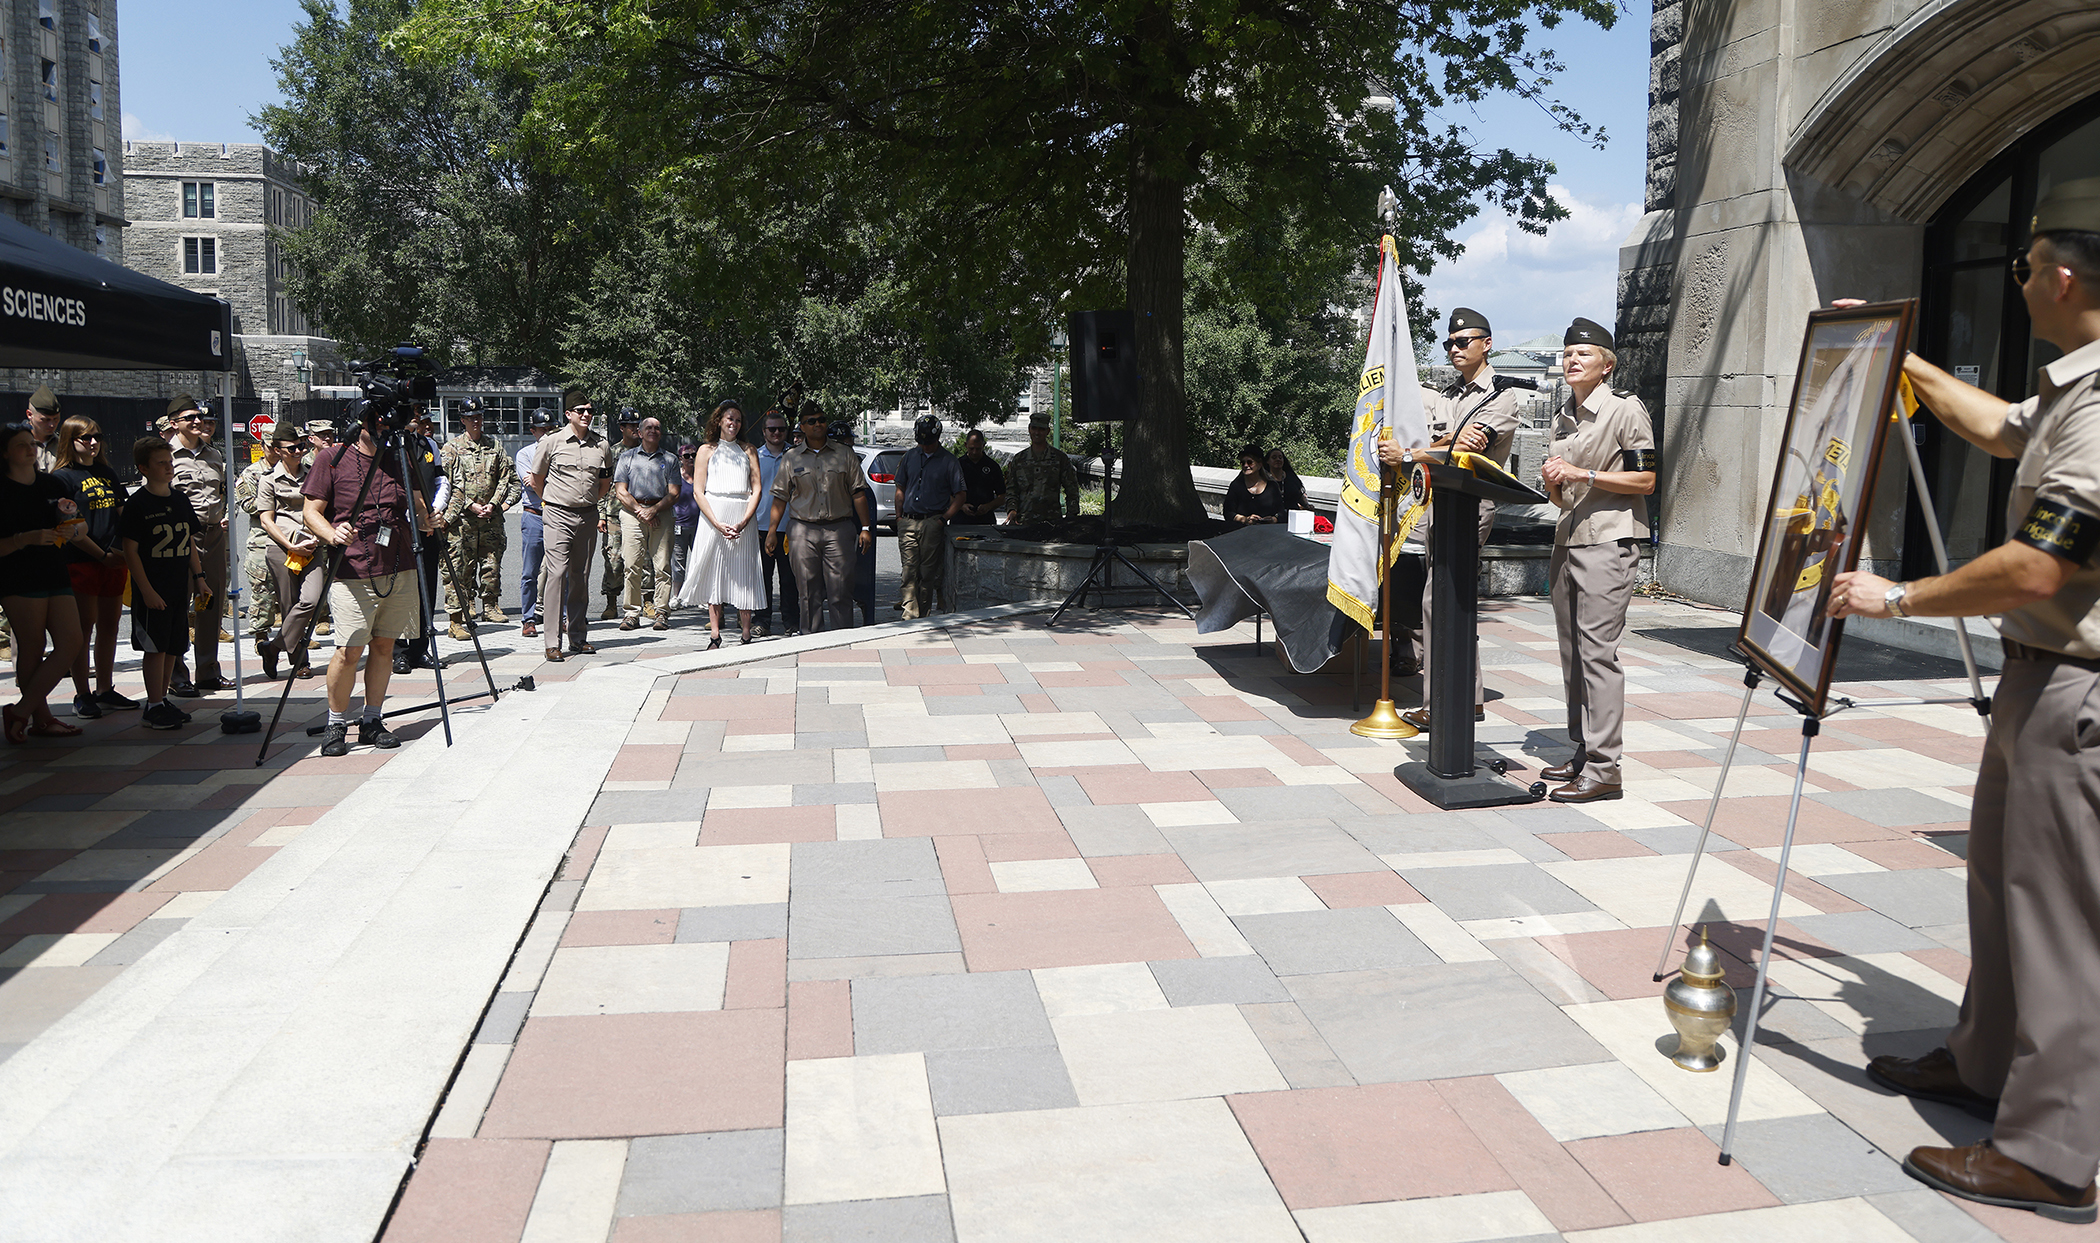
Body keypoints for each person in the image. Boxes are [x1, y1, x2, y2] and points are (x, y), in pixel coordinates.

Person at [1827, 179, 2100, 1224]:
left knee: (2061, 918)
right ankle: (1987, 1063)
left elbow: (2039, 567)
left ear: (2061, 277)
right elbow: (1998, 426)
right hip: (2038, 681)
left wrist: (1899, 596)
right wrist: (1902, 355)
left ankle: (2049, 1153)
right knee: (2001, 886)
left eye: (2024, 266)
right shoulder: (2072, 390)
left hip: (2076, 689)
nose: (2017, 279)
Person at [1377, 307, 1530, 728]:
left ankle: (1442, 703)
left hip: (1469, 508)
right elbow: (1447, 441)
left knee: (1441, 601)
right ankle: (1467, 698)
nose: (1454, 349)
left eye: (1463, 342)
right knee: (1447, 602)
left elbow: (1465, 449)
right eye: (1449, 343)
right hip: (1438, 505)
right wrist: (1441, 443)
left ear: (1487, 344)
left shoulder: (1501, 394)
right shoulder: (1452, 394)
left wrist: (1411, 454)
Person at [1537, 317, 1655, 804]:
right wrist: (1553, 482)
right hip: (1568, 541)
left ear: (1606, 365)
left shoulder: (1625, 409)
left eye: (1582, 353)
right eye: (1567, 353)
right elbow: (1563, 495)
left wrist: (1582, 472)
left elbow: (1646, 481)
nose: (1572, 359)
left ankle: (1606, 770)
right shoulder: (1563, 415)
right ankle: (1584, 751)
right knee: (1573, 655)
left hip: (1609, 542)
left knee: (1598, 655)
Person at [302, 400, 433, 756]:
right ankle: (336, 722)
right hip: (352, 569)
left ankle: (372, 720)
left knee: (385, 646)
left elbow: (418, 505)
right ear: (362, 423)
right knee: (348, 650)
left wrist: (428, 519)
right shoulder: (331, 457)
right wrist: (332, 534)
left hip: (398, 566)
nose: (385, 431)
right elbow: (310, 512)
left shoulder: (400, 457)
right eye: (379, 423)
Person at [1, 419, 93, 741]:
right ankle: (41, 718)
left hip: (54, 569)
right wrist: (24, 539)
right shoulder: (3, 490)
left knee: (72, 641)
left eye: (32, 444)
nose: (30, 450)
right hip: (18, 576)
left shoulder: (51, 484)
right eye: (21, 446)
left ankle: (21, 711)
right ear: (5, 453)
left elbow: (80, 525)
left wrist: (72, 528)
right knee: (33, 645)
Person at [118, 436, 207, 732]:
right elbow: (130, 551)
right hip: (153, 587)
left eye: (170, 462)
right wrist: (146, 590)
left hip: (178, 585)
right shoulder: (137, 504)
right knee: (155, 647)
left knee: (173, 646)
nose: (169, 467)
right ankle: (153, 704)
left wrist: (199, 578)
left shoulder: (180, 499)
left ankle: (163, 698)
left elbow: (189, 542)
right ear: (143, 468)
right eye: (161, 463)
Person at [50, 418, 135, 719]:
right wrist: (101, 555)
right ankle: (82, 693)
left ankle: (105, 688)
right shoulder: (61, 478)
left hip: (113, 559)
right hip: (81, 559)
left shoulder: (107, 472)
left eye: (97, 436)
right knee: (83, 629)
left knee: (110, 626)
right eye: (85, 438)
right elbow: (68, 526)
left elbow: (123, 514)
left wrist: (122, 550)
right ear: (69, 440)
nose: (93, 443)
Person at [766, 402, 873, 634]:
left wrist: (865, 527)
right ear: (802, 427)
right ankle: (811, 640)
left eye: (822, 420)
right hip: (802, 530)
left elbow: (858, 493)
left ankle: (842, 640)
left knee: (841, 590)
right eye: (811, 421)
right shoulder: (791, 458)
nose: (818, 424)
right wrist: (772, 531)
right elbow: (780, 498)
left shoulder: (844, 454)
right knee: (807, 592)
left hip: (839, 529)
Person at [528, 391, 616, 662]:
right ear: (568, 414)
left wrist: (587, 502)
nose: (586, 414)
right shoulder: (551, 441)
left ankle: (577, 636)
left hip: (587, 516)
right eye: (580, 410)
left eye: (589, 410)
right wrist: (552, 502)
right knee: (556, 574)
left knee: (581, 575)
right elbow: (536, 479)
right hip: (557, 514)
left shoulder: (601, 445)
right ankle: (552, 642)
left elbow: (605, 483)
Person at [676, 401, 766, 647]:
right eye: (729, 418)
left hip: (742, 515)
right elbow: (698, 491)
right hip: (713, 516)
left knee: (744, 573)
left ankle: (746, 633)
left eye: (737, 420)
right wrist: (716, 523)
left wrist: (743, 521)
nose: (733, 423)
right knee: (714, 574)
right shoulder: (706, 450)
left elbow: (757, 488)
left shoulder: (749, 450)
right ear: (719, 421)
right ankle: (715, 634)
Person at [164, 394, 230, 696]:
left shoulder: (213, 454)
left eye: (199, 417)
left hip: (213, 536)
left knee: (211, 604)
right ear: (173, 423)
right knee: (179, 605)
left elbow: (221, 492)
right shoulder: (165, 455)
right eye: (189, 417)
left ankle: (208, 671)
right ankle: (176, 674)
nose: (197, 421)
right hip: (180, 537)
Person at [441, 399, 520, 635]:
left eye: (478, 417)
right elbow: (445, 485)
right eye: (470, 417)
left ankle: (490, 606)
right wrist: (470, 505)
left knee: (491, 564)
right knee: (461, 568)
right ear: (462, 420)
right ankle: (463, 611)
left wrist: (496, 504)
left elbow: (507, 479)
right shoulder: (452, 448)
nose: (475, 421)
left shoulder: (494, 446)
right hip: (462, 520)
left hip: (490, 520)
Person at [254, 423, 323, 681]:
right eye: (291, 448)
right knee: (289, 605)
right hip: (282, 548)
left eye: (300, 446)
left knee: (312, 601)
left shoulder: (314, 474)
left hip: (312, 546)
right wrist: (290, 545)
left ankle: (272, 648)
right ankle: (299, 662)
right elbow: (266, 520)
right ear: (277, 450)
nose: (298, 451)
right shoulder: (268, 479)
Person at [392, 412, 449, 674]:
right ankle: (398, 651)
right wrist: (412, 516)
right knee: (398, 590)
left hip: (427, 524)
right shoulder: (389, 444)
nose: (417, 419)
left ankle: (419, 649)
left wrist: (434, 510)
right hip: (399, 526)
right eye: (413, 413)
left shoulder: (428, 445)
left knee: (425, 587)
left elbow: (441, 479)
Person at [894, 414, 966, 618]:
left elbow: (961, 495)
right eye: (922, 442)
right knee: (909, 571)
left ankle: (922, 615)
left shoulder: (949, 461)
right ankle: (909, 615)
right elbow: (900, 487)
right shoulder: (909, 456)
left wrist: (943, 519)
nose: (925, 446)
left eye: (929, 442)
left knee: (927, 574)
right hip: (908, 521)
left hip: (932, 521)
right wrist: (899, 518)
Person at [615, 415, 681, 632]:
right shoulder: (627, 457)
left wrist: (653, 510)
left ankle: (661, 612)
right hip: (632, 514)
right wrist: (640, 511)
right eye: (649, 427)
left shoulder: (670, 459)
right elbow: (620, 491)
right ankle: (632, 614)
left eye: (657, 428)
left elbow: (674, 493)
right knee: (631, 565)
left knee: (662, 566)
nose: (653, 430)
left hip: (661, 513)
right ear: (640, 433)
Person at [235, 431, 287, 653]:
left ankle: (293, 638)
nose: (275, 450)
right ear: (263, 446)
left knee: (292, 591)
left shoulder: (294, 470)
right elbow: (248, 504)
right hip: (262, 539)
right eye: (271, 446)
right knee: (262, 589)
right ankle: (261, 636)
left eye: (279, 446)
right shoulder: (251, 473)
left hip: (290, 536)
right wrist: (283, 503)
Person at [829, 422, 881, 623]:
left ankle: (849, 625)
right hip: (827, 531)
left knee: (848, 582)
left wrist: (865, 528)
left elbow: (862, 496)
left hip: (850, 532)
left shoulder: (853, 466)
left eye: (845, 443)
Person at [755, 408, 799, 636]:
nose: (776, 433)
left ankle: (791, 622)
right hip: (760, 527)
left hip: (789, 527)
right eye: (772, 429)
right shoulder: (754, 457)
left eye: (781, 429)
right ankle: (761, 622)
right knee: (761, 579)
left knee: (789, 579)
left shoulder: (795, 456)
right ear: (764, 432)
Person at [599, 408, 643, 619]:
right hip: (614, 514)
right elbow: (602, 485)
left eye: (637, 425)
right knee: (614, 561)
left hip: (641, 513)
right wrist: (601, 515)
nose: (635, 429)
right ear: (622, 428)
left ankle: (648, 600)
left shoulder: (647, 451)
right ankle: (611, 603)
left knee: (644, 560)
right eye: (630, 425)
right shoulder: (612, 452)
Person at [517, 407, 555, 638]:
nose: (547, 433)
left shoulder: (562, 452)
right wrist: (554, 484)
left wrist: (541, 479)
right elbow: (531, 483)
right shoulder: (525, 454)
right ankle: (529, 619)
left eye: (550, 428)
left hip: (558, 515)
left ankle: (561, 616)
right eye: (542, 429)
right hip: (534, 515)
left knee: (561, 570)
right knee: (530, 572)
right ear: (533, 431)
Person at [1005, 411, 1080, 524]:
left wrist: (1070, 517)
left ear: (1047, 431)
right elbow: (1011, 489)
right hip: (1024, 521)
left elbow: (1072, 489)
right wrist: (1012, 510)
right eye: (1034, 428)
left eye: (1041, 429)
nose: (1037, 432)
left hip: (1051, 522)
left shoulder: (1059, 459)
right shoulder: (1019, 459)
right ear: (1029, 429)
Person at [1223, 444, 1285, 525]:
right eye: (1243, 463)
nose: (1246, 465)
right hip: (1242, 530)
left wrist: (1274, 519)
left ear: (1259, 465)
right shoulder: (1236, 486)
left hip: (1267, 530)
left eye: (1250, 462)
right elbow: (1228, 513)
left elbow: (1281, 512)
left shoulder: (1272, 486)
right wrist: (1245, 519)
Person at [956, 428, 1006, 525]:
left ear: (983, 446)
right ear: (966, 445)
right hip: (960, 520)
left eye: (978, 449)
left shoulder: (992, 466)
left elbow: (1002, 496)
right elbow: (946, 494)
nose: (974, 452)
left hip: (985, 520)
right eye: (971, 448)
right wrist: (961, 506)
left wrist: (988, 506)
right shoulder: (957, 465)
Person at [670, 441, 699, 596]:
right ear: (680, 458)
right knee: (678, 563)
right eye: (686, 456)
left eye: (693, 455)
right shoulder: (676, 477)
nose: (690, 458)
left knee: (699, 562)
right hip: (679, 525)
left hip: (699, 526)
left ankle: (699, 596)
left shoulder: (702, 475)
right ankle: (677, 596)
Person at [26, 386, 62, 472]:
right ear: (30, 415)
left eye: (56, 419)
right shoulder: (15, 443)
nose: (52, 425)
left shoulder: (62, 444)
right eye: (45, 420)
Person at [1267, 449, 1311, 513]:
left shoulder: (1291, 477)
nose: (1278, 459)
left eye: (1280, 457)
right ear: (1267, 461)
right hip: (1273, 516)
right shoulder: (1264, 479)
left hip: (1293, 514)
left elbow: (1299, 494)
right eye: (1274, 457)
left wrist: (1307, 506)